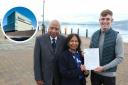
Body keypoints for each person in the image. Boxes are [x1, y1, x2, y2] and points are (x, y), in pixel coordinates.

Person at [89, 9, 124, 85]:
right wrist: (85, 54)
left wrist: (103, 68)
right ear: (99, 20)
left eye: (108, 19)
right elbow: (90, 52)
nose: (105, 21)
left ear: (112, 20)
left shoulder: (117, 36)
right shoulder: (94, 35)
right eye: (103, 19)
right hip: (94, 74)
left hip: (109, 75)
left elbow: (120, 58)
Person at [34, 20, 66, 85]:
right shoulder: (39, 40)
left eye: (56, 29)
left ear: (59, 30)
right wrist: (38, 78)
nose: (53, 31)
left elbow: (70, 52)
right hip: (45, 77)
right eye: (51, 28)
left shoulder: (64, 40)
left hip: (60, 77)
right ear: (48, 28)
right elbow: (37, 61)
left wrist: (81, 53)